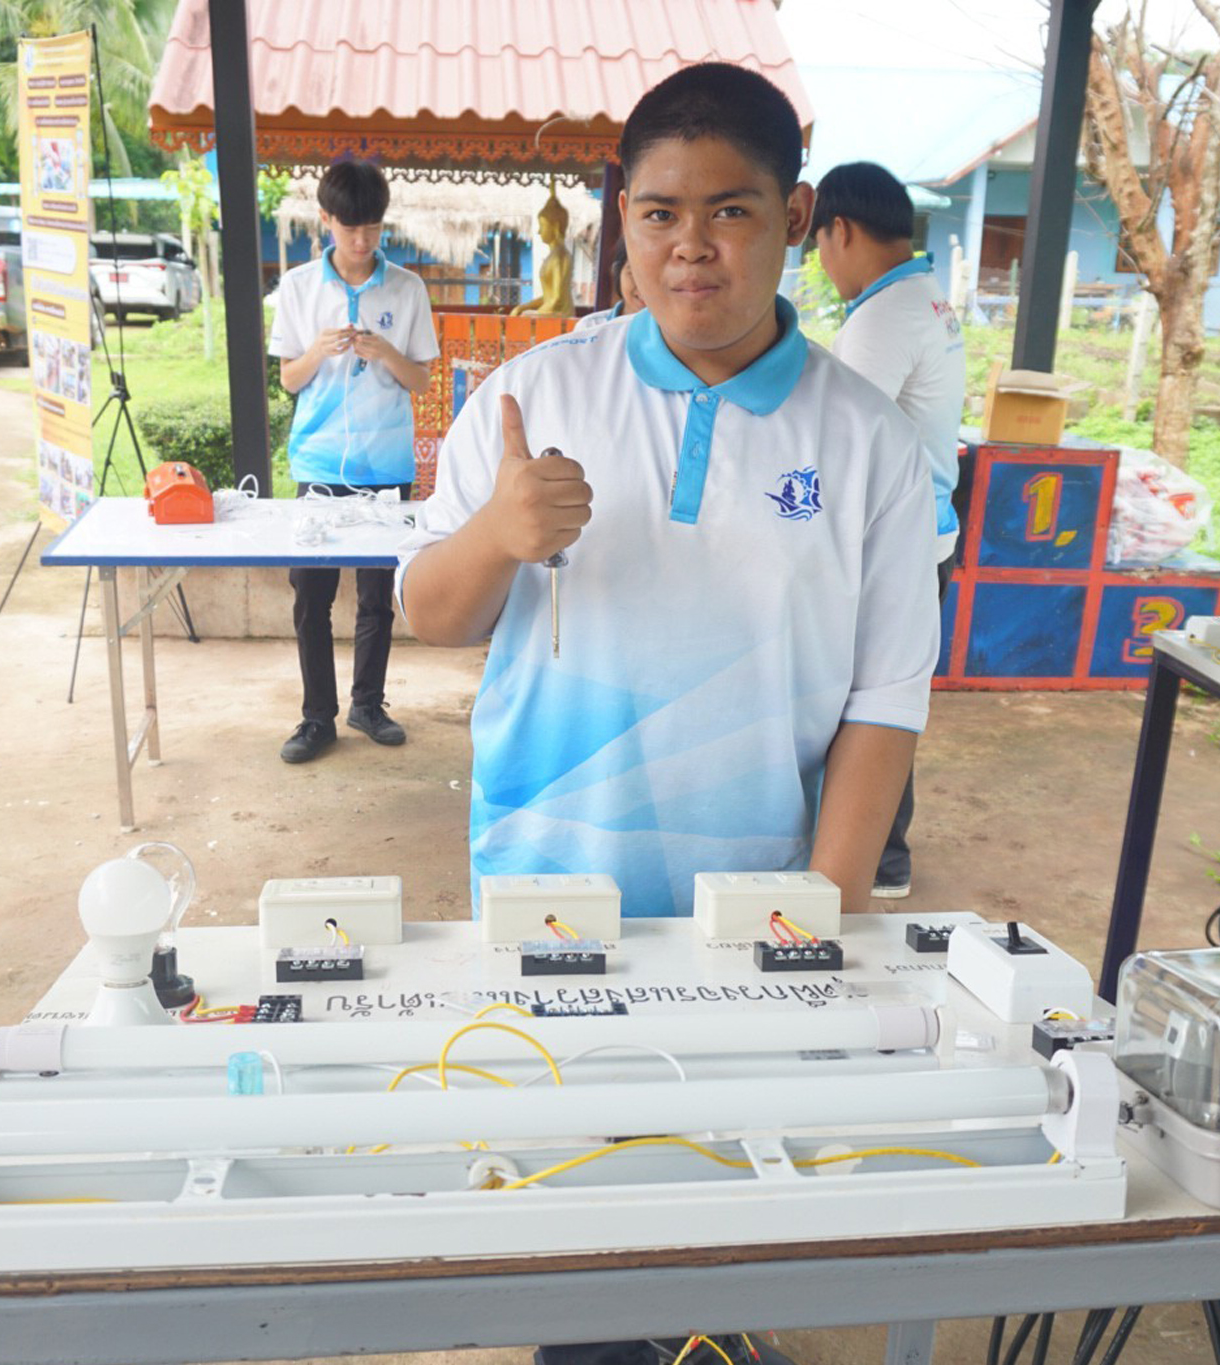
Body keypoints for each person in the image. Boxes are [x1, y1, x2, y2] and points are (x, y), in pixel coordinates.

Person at [397, 63, 937, 921]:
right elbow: (432, 616)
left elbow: (884, 701)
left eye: (730, 210)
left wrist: (819, 916)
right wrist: (496, 535)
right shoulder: (531, 396)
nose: (690, 246)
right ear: (624, 221)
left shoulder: (872, 443)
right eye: (659, 215)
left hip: (758, 902)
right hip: (541, 879)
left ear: (794, 218)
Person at [809, 161, 967, 898]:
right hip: (929, 530)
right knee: (892, 687)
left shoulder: (882, 319)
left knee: (872, 696)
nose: (823, 265)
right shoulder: (927, 298)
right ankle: (886, 849)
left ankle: (882, 856)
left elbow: (837, 443)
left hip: (895, 541)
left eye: (819, 245)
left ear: (839, 229)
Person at [269, 157, 440, 763]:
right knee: (310, 597)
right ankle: (318, 718)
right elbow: (289, 382)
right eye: (349, 228)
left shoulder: (407, 289)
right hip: (317, 465)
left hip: (385, 465)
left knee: (376, 596)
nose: (362, 241)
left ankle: (368, 703)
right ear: (325, 220)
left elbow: (421, 382)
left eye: (372, 228)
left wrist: (387, 351)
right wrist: (317, 350)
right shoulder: (297, 288)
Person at [573, 238, 646, 330]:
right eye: (634, 274)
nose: (644, 288)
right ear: (617, 272)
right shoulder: (590, 327)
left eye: (655, 276)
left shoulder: (669, 331)